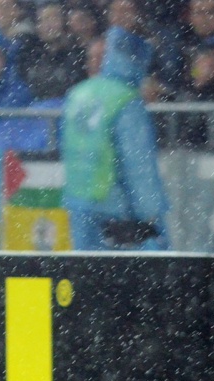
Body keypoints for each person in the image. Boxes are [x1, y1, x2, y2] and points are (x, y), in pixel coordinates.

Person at [61, 26, 171, 250]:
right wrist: (151, 214)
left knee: (85, 267)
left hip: (79, 199)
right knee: (126, 270)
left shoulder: (78, 94)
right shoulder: (125, 100)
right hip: (115, 206)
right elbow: (138, 163)